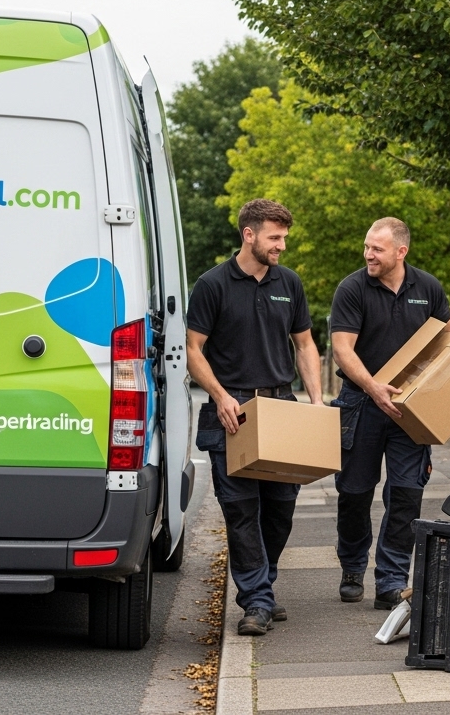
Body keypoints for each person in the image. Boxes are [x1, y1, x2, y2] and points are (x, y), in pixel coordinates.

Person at [186, 198, 324, 636]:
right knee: (242, 511)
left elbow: (305, 344)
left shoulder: (289, 282)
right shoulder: (212, 284)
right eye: (274, 237)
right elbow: (193, 350)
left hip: (282, 406)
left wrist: (317, 402)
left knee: (281, 509)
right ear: (249, 235)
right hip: (235, 414)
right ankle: (258, 600)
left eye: (284, 238)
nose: (281, 245)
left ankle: (262, 583)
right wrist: (221, 396)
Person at [329, 217, 450, 609]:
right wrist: (373, 388)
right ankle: (352, 566)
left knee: (406, 494)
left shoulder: (428, 288)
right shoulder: (352, 288)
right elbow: (342, 349)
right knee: (354, 493)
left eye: (377, 249)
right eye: (367, 246)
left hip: (409, 409)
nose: (368, 254)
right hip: (361, 404)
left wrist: (445, 390)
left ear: (401, 251)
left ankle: (391, 580)